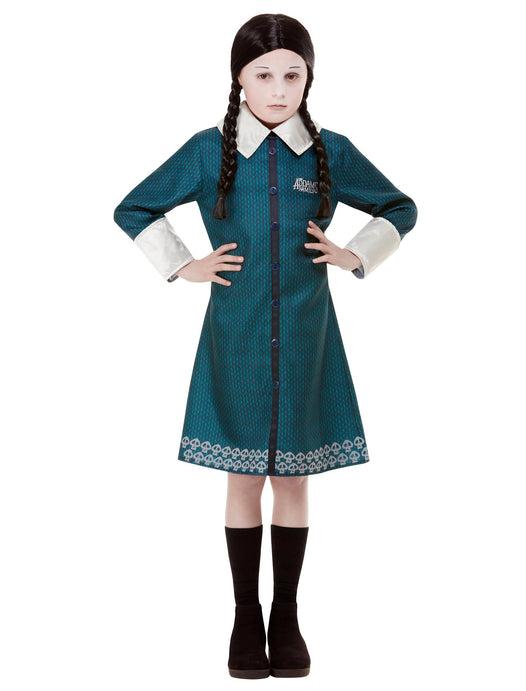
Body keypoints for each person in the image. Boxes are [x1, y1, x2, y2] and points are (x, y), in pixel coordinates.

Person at [113, 13, 417, 679]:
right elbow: (133, 207)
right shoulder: (208, 150)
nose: (278, 90)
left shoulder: (331, 150)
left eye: (292, 75)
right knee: (244, 475)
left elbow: (400, 207)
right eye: (263, 75)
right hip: (237, 338)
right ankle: (244, 615)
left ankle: (287, 613)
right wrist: (183, 263)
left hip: (308, 336)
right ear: (239, 79)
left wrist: (355, 253)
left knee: (294, 476)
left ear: (308, 79)